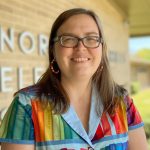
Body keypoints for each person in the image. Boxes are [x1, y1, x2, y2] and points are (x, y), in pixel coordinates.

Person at [0, 8, 148, 150]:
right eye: (69, 39)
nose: (80, 47)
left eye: (91, 38)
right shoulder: (26, 106)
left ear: (102, 48)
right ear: (53, 48)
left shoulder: (121, 102)